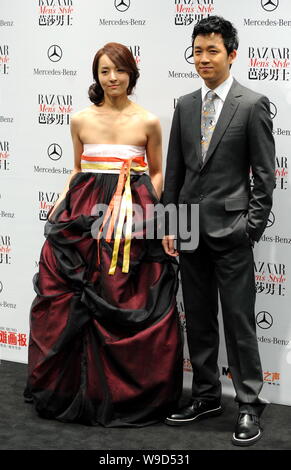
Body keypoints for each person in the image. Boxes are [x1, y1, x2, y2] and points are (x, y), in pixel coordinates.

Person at [24, 42, 183, 427]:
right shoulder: (80, 119)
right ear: (96, 76)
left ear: (132, 74)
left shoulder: (147, 121)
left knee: (124, 293)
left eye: (119, 71)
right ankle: (72, 389)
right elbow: (77, 168)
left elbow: (157, 170)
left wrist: (151, 211)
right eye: (104, 72)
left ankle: (128, 394)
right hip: (83, 215)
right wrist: (63, 200)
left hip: (133, 216)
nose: (112, 79)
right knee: (72, 298)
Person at [162, 16, 275, 446]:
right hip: (189, 229)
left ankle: (248, 403)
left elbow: (265, 177)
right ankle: (206, 395)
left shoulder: (252, 104)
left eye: (212, 50)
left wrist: (251, 229)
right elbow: (174, 171)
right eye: (198, 50)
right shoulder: (185, 105)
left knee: (239, 322)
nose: (203, 58)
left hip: (232, 232)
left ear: (231, 54)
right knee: (201, 321)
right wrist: (170, 223)